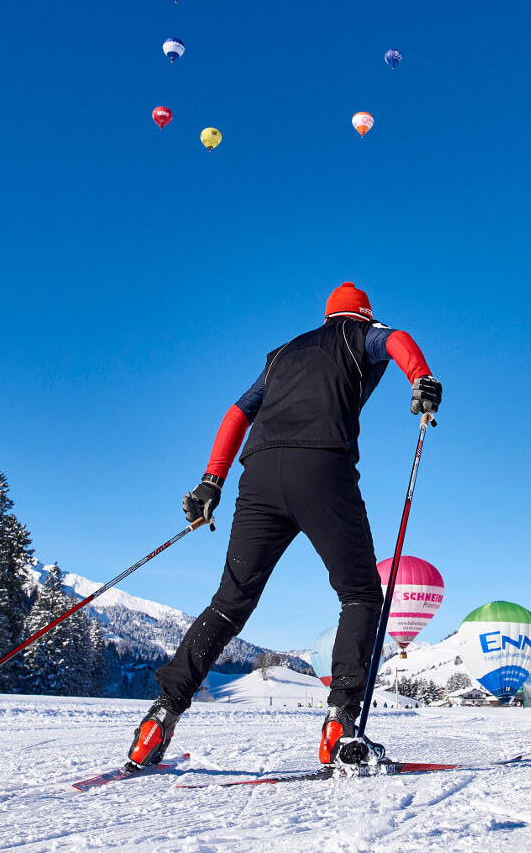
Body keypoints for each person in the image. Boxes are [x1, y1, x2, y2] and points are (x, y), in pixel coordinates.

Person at [127, 283, 442, 770]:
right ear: (363, 315)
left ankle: (159, 717)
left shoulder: (282, 354)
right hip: (321, 470)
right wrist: (421, 379)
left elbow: (238, 412)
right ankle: (340, 723)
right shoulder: (362, 334)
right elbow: (398, 339)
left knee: (230, 603)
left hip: (258, 477)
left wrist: (212, 483)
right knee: (359, 595)